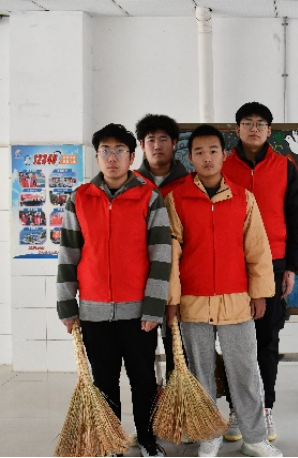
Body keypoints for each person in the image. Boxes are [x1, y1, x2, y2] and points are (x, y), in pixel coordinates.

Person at [165, 124, 283, 458]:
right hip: (193, 301)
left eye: (213, 151)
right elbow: (170, 255)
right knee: (200, 374)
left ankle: (255, 438)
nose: (207, 158)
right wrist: (172, 300)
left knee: (245, 371)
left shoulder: (244, 198)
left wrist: (259, 293)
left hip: (236, 300)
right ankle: (209, 435)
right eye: (199, 152)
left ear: (224, 155)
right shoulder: (177, 199)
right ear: (190, 158)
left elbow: (258, 250)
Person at [56, 123, 171, 457]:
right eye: (105, 151)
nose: (112, 157)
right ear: (97, 156)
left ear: (132, 157)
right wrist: (67, 305)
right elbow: (68, 256)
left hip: (139, 314)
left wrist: (154, 308)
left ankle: (147, 439)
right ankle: (112, 443)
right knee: (104, 382)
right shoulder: (80, 198)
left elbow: (161, 256)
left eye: (119, 150)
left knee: (143, 380)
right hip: (94, 313)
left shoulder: (149, 197)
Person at [222, 102, 298, 442]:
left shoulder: (285, 168)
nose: (254, 128)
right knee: (234, 343)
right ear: (237, 129)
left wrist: (293, 267)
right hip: (231, 266)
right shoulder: (222, 166)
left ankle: (265, 409)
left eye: (260, 123)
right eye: (247, 123)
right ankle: (237, 410)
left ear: (270, 130)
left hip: (274, 264)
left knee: (267, 340)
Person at [135, 113, 190, 380]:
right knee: (142, 354)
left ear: (174, 143)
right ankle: (152, 400)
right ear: (141, 145)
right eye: (151, 140)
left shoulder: (190, 184)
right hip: (140, 281)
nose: (157, 145)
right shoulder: (131, 184)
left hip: (182, 279)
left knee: (179, 353)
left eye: (164, 139)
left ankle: (177, 400)